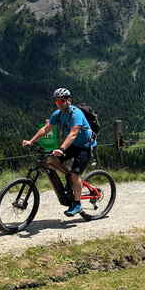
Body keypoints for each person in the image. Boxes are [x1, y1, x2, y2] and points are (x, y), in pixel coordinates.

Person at [21, 88, 97, 216]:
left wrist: (61, 149)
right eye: (57, 101)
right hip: (73, 145)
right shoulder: (58, 114)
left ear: (68, 100)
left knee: (74, 174)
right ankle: (69, 177)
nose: (59, 103)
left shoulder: (76, 113)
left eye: (62, 100)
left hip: (85, 146)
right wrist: (31, 141)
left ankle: (77, 204)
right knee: (50, 160)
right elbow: (46, 129)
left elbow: (73, 133)